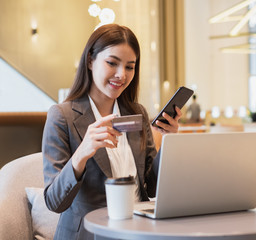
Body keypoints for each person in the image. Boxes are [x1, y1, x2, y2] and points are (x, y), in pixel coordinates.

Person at [42, 24, 182, 239]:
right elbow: (54, 202)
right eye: (112, 63)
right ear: (90, 61)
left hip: (136, 231)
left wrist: (169, 143)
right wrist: (81, 154)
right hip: (88, 234)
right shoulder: (62, 116)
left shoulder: (137, 113)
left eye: (130, 67)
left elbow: (152, 189)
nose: (121, 75)